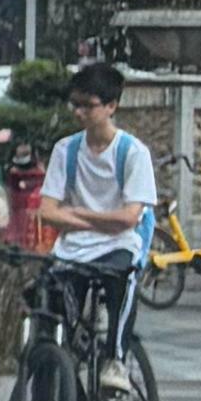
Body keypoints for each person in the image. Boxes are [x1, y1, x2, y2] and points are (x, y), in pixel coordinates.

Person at [36, 59, 156, 356]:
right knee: (50, 297)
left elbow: (129, 218)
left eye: (87, 105)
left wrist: (75, 214)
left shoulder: (133, 153)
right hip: (74, 246)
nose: (79, 113)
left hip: (120, 244)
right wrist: (98, 223)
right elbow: (47, 212)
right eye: (74, 105)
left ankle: (116, 360)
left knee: (122, 285)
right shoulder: (66, 150)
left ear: (111, 106)